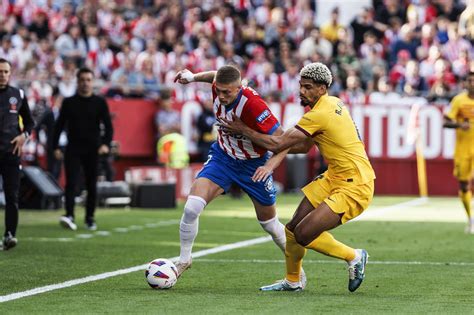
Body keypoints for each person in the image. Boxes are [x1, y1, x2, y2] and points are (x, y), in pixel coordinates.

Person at [220, 62, 376, 292]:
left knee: (303, 234)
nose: (302, 91)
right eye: (301, 86)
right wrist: (262, 145)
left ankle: (354, 256)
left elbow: (279, 142)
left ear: (322, 89)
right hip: (335, 176)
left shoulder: (320, 113)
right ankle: (293, 281)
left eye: (308, 87)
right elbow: (302, 147)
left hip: (355, 184)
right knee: (291, 230)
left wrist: (244, 130)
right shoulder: (331, 103)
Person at [173, 65, 306, 285]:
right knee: (191, 207)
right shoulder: (218, 85)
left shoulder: (253, 105)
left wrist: (268, 166)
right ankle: (184, 260)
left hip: (254, 165)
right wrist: (192, 77)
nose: (222, 96)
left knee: (270, 224)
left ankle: (297, 272)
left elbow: (283, 142)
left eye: (228, 92)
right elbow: (213, 76)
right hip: (223, 158)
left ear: (240, 87)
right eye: (219, 90)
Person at [52, 67, 113, 231]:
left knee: (91, 184)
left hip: (93, 150)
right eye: (82, 80)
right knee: (71, 183)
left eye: (88, 80)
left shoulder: (100, 102)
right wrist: (55, 146)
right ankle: (69, 215)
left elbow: (108, 126)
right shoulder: (69, 102)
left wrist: (106, 144)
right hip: (73, 148)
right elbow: (58, 126)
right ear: (77, 82)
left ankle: (90, 218)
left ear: (92, 82)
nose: (85, 83)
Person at [0, 58, 34, 250]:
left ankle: (9, 234)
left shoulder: (18, 94)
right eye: (0, 72)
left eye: (5, 72)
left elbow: (29, 122)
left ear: (10, 74)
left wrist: (24, 136)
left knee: (12, 196)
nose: (3, 75)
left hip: (11, 153)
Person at [443, 72, 474, 234]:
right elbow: (446, 122)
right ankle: (470, 218)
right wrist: (459, 125)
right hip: (463, 150)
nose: (473, 83)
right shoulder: (459, 101)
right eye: (470, 80)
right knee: (463, 185)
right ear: (465, 83)